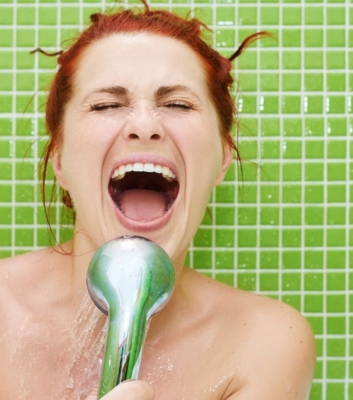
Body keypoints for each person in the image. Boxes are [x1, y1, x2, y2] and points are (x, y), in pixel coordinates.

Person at [0, 2, 316, 399]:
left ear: (222, 160)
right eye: (107, 105)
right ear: (60, 160)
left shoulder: (263, 344)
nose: (145, 125)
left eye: (178, 104)